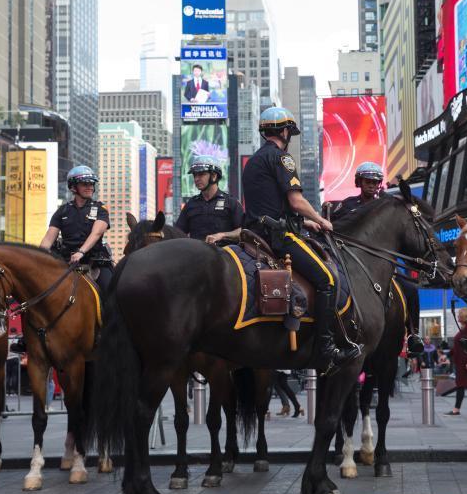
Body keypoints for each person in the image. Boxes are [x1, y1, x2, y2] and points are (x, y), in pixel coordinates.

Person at [242, 107, 361, 375]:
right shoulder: (281, 158)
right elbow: (296, 201)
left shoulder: (253, 161)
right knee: (328, 280)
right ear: (285, 132)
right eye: (288, 132)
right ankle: (326, 348)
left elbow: (271, 205)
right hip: (278, 237)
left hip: (255, 233)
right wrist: (321, 219)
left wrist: (303, 221)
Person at [329, 161, 425, 357]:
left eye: (375, 181)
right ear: (359, 182)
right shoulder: (346, 206)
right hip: (354, 265)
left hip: (384, 267)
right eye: (367, 181)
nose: (371, 185)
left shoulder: (389, 205)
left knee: (412, 290)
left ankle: (414, 335)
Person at [39, 166, 113, 292]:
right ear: (73, 187)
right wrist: (38, 257)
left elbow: (96, 233)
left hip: (95, 263)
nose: (90, 187)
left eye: (91, 184)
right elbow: (48, 239)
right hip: (66, 262)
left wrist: (81, 252)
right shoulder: (62, 211)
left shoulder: (101, 209)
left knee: (111, 291)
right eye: (85, 184)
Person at [174, 155, 243, 245]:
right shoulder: (190, 204)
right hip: (196, 255)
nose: (196, 179)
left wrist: (222, 235)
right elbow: (177, 233)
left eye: (201, 174)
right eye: (195, 175)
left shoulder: (231, 202)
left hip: (224, 255)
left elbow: (242, 231)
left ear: (214, 176)